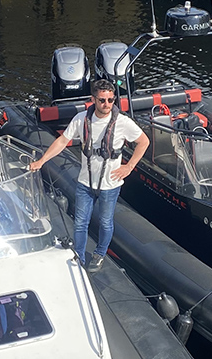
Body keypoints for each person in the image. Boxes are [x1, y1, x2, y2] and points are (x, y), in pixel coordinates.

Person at [29, 79, 149, 272]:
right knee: (80, 222)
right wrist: (42, 161)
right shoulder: (81, 119)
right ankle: (79, 255)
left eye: (111, 100)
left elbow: (143, 142)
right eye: (102, 100)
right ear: (93, 99)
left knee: (105, 222)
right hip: (85, 182)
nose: (107, 104)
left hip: (110, 185)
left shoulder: (123, 123)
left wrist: (129, 167)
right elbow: (62, 141)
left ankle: (100, 253)